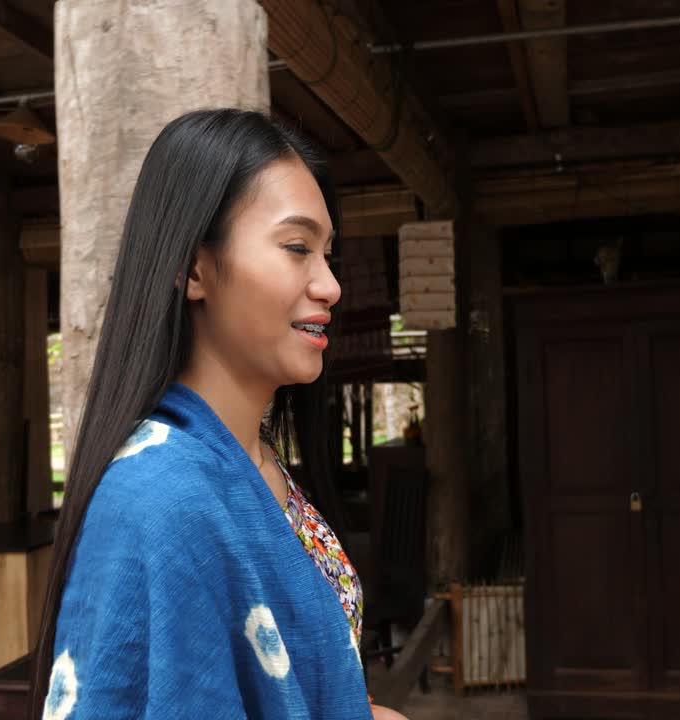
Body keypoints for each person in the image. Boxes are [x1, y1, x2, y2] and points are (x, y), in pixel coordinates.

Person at [28, 109, 410, 720]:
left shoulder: (256, 463)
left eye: (327, 254)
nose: (331, 285)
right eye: (296, 248)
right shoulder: (159, 500)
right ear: (196, 268)